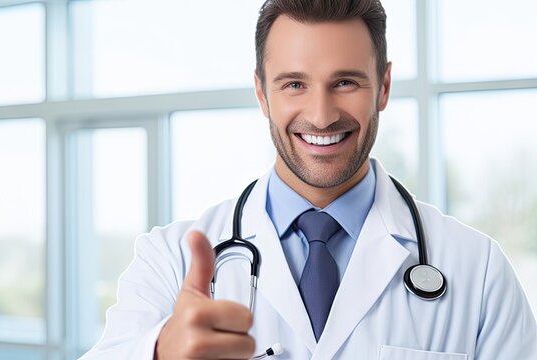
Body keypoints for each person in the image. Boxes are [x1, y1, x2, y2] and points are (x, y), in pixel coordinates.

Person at [80, 0, 537, 358]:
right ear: (262, 92)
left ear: (384, 87)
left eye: (345, 83)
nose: (321, 115)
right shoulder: (169, 261)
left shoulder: (477, 270)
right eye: (294, 84)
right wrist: (158, 355)